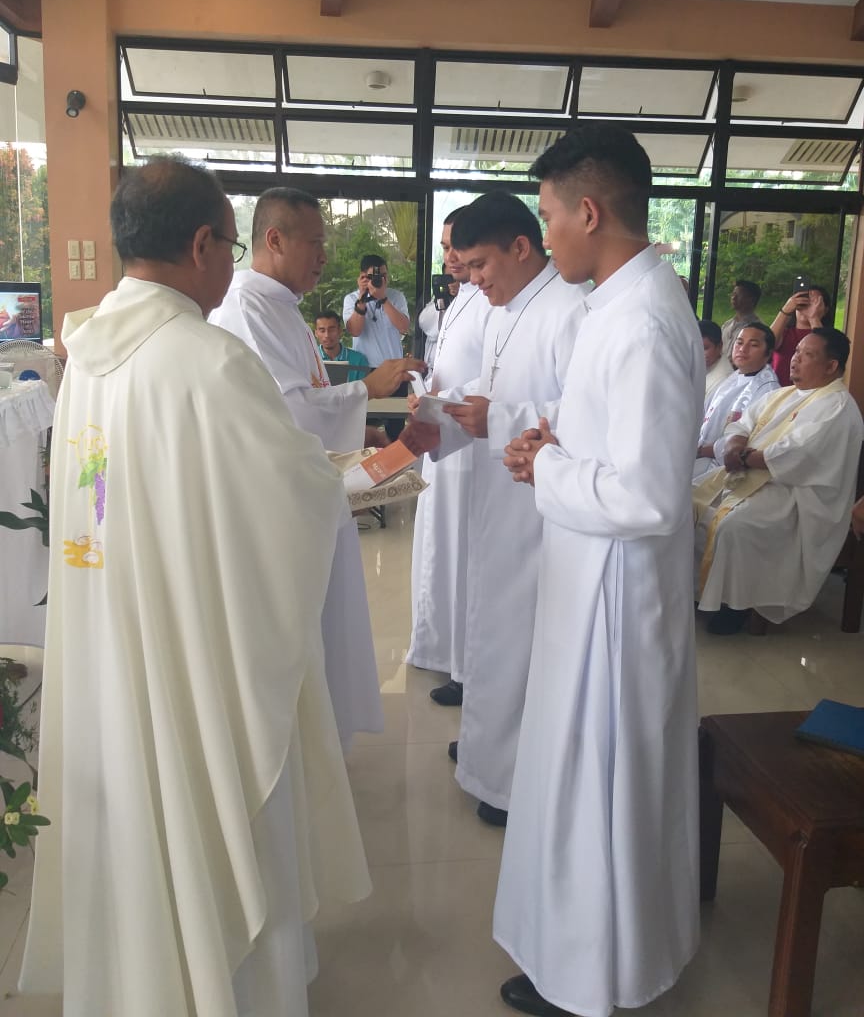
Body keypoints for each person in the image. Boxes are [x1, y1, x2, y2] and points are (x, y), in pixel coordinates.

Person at [19, 158, 370, 1017]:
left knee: (134, 811)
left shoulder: (86, 351)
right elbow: (292, 493)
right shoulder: (209, 360)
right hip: (189, 645)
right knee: (209, 804)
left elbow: (103, 498)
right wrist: (370, 471)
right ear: (203, 244)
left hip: (110, 629)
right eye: (231, 248)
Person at [495, 123, 703, 1017]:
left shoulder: (645, 318)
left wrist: (547, 466)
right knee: (579, 778)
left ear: (588, 211)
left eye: (547, 218)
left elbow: (651, 495)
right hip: (589, 581)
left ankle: (593, 976)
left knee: (598, 787)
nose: (544, 238)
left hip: (614, 603)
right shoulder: (617, 301)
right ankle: (579, 954)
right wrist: (555, 440)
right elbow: (613, 435)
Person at [210, 187, 421, 749]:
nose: (325, 257)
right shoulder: (247, 309)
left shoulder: (280, 304)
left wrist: (360, 432)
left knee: (328, 622)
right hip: (277, 510)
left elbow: (306, 393)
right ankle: (305, 748)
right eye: (316, 243)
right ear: (275, 239)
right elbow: (288, 412)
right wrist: (365, 390)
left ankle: (325, 740)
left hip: (312, 496)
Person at [404, 192, 588, 828]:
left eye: (480, 264)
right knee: (491, 627)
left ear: (521, 246)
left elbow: (585, 414)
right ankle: (487, 748)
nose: (473, 279)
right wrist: (442, 411)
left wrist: (500, 416)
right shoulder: (507, 307)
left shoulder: (571, 309)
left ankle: (512, 778)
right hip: (497, 490)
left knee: (520, 636)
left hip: (540, 505)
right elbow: (491, 390)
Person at [695, 327, 863, 635]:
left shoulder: (837, 406)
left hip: (799, 496)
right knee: (691, 501)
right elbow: (742, 424)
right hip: (754, 477)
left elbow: (798, 453)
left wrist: (742, 457)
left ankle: (736, 606)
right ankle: (698, 592)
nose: (795, 359)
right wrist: (735, 445)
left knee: (735, 525)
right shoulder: (784, 394)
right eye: (796, 351)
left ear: (831, 366)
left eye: (807, 355)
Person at [406, 207, 491, 706]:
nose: (451, 257)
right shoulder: (458, 299)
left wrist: (446, 398)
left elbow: (496, 376)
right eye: (444, 248)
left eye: (458, 246)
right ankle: (437, 646)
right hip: (442, 433)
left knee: (459, 554)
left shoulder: (493, 300)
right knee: (437, 547)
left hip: (468, 445)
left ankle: (462, 662)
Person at [694, 322, 779, 479]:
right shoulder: (734, 377)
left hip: (725, 467)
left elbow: (751, 439)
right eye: (739, 342)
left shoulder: (768, 390)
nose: (742, 349)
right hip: (701, 453)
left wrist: (702, 451)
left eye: (753, 345)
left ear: (768, 353)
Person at [343, 253, 410, 367]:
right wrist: (362, 299)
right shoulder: (352, 299)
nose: (381, 280)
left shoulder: (397, 296)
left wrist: (383, 298)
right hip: (363, 367)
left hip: (393, 367)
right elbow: (354, 331)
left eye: (384, 275)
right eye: (373, 276)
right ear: (363, 277)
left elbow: (404, 328)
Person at [769, 283, 831, 386]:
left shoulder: (828, 337)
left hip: (810, 392)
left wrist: (813, 318)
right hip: (779, 391)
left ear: (825, 310)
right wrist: (786, 309)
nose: (807, 306)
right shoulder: (784, 332)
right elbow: (767, 344)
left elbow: (825, 355)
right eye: (803, 300)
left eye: (814, 302)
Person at [315, 309, 368, 381]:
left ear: (340, 331)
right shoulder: (310, 358)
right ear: (316, 333)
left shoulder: (359, 360)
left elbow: (364, 387)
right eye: (322, 331)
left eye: (331, 330)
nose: (327, 335)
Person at [721, 278, 761, 357]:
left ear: (751, 300)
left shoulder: (757, 329)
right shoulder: (726, 325)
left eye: (738, 295)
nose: (733, 297)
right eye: (733, 294)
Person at [700, 318, 733, 403]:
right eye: (695, 347)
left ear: (719, 346)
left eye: (705, 348)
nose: (698, 353)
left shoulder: (723, 379)